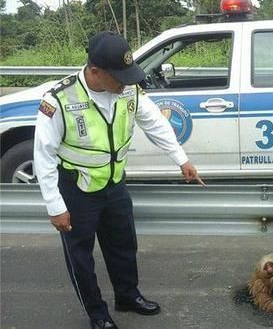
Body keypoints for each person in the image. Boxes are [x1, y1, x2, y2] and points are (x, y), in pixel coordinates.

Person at [34, 31, 204, 329]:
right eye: (119, 77)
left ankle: (128, 296)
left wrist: (181, 159)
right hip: (76, 188)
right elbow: (43, 155)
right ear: (95, 72)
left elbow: (155, 123)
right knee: (81, 257)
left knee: (124, 245)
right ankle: (97, 314)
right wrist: (54, 205)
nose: (126, 82)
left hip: (114, 184)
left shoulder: (127, 89)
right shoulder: (60, 99)